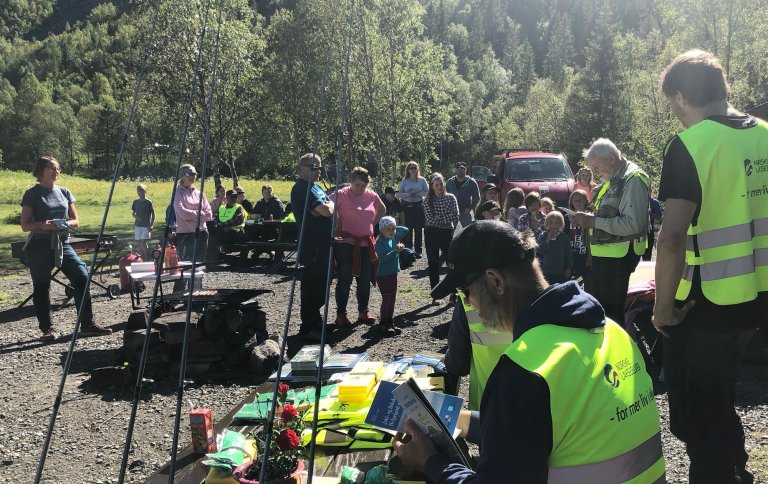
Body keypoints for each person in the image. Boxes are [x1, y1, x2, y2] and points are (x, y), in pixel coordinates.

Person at [393, 221, 664, 482]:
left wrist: (431, 462)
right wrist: (462, 421)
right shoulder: (613, 333)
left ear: (495, 281)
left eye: (465, 291)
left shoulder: (523, 371)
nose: (466, 301)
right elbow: (553, 426)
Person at [653, 49, 768, 484]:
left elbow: (672, 237)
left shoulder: (690, 145)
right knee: (718, 398)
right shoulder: (765, 136)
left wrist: (663, 308)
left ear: (681, 97)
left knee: (695, 415)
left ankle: (723, 473)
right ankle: (736, 467)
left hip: (708, 304)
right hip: (757, 299)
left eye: (671, 105)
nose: (675, 115)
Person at [20, 156, 112, 340]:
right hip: (40, 245)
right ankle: (48, 330)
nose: (56, 172)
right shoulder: (32, 194)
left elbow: (75, 221)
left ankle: (87, 325)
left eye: (57, 168)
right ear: (40, 171)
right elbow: (25, 225)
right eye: (51, 168)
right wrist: (43, 225)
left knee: (82, 276)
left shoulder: (64, 192)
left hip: (63, 243)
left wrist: (64, 224)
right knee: (41, 286)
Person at [571, 138, 649, 325]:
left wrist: (593, 221)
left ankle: (616, 352)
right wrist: (587, 218)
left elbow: (633, 224)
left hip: (618, 259)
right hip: (606, 257)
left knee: (611, 316)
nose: (595, 173)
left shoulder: (633, 179)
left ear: (612, 158)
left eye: (597, 167)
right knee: (602, 312)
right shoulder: (614, 178)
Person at [332, 166, 386, 326]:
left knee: (364, 279)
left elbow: (382, 209)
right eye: (357, 185)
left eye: (363, 185)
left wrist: (372, 223)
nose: (360, 188)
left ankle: (363, 311)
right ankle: (341, 313)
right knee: (345, 278)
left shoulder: (371, 195)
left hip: (365, 243)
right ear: (351, 182)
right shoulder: (341, 194)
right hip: (345, 243)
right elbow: (328, 205)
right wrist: (336, 220)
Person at [291, 153, 334, 341]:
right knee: (311, 284)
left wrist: (328, 206)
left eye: (319, 167)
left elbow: (328, 207)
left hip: (324, 242)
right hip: (311, 243)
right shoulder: (301, 188)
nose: (318, 171)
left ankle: (317, 320)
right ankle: (308, 325)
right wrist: (328, 206)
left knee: (323, 283)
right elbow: (326, 209)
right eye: (314, 167)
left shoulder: (315, 188)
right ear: (302, 168)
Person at [423, 173, 459, 301]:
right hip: (431, 233)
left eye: (441, 184)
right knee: (433, 262)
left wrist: (441, 218)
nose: (439, 187)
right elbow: (430, 220)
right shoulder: (427, 200)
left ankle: (453, 292)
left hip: (446, 233)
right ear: (432, 186)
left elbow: (456, 216)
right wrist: (445, 218)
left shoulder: (451, 198)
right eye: (436, 185)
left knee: (451, 261)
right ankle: (435, 293)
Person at [374, 216, 409, 335]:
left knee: (393, 298)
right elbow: (382, 259)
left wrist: (393, 227)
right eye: (388, 229)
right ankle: (383, 322)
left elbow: (405, 229)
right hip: (382, 275)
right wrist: (395, 251)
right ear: (381, 229)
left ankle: (390, 321)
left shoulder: (394, 237)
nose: (391, 231)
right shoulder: (379, 242)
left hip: (393, 273)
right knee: (387, 298)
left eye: (393, 228)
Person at [173, 163, 213, 265]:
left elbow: (209, 214)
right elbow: (182, 213)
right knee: (184, 268)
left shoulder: (200, 194)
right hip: (185, 235)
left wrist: (193, 215)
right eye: (188, 173)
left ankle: (197, 281)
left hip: (202, 233)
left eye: (194, 173)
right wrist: (199, 213)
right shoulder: (177, 193)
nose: (192, 176)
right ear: (182, 175)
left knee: (199, 266)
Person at [397, 161, 429, 255]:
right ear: (408, 170)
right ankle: (409, 251)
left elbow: (427, 193)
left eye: (415, 168)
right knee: (408, 229)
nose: (413, 170)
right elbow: (399, 194)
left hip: (419, 206)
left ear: (417, 169)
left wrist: (418, 193)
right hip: (407, 207)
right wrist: (408, 194)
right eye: (411, 168)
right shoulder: (404, 181)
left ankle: (418, 251)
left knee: (418, 230)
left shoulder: (422, 180)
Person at [537, 211, 573, 284]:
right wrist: (548, 240)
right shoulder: (543, 235)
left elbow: (569, 253)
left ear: (561, 224)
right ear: (547, 223)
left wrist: (569, 267)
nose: (554, 225)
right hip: (547, 271)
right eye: (551, 222)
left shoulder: (564, 237)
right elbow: (540, 250)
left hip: (561, 271)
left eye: (556, 223)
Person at [445, 162, 480, 228]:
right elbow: (444, 195)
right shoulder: (450, 182)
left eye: (462, 168)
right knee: (449, 231)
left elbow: (477, 197)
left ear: (466, 169)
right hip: (452, 212)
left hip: (465, 212)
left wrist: (470, 208)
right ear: (455, 169)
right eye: (458, 168)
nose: (459, 170)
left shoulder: (471, 182)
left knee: (468, 232)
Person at [567, 189, 591, 280]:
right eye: (575, 200)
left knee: (589, 285)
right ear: (572, 203)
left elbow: (593, 239)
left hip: (586, 255)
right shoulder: (566, 218)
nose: (578, 202)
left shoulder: (591, 217)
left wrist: (590, 256)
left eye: (580, 200)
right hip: (571, 257)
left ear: (586, 201)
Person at [131, 184, 156, 261]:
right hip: (138, 225)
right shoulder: (135, 202)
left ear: (146, 191)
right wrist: (136, 217)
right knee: (138, 242)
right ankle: (143, 257)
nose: (141, 193)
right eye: (139, 191)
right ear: (137, 192)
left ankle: (147, 258)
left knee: (143, 242)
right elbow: (133, 213)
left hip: (146, 226)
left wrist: (151, 225)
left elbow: (153, 213)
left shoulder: (148, 202)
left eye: (143, 191)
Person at [643, 188, 662, 261]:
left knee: (647, 255)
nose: (647, 192)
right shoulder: (638, 201)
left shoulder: (654, 202)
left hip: (649, 232)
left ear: (651, 191)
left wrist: (649, 214)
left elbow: (659, 216)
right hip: (638, 232)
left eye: (648, 190)